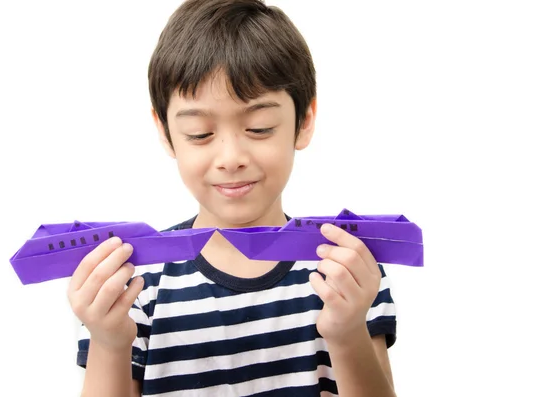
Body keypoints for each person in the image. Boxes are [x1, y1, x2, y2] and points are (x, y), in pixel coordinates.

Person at [68, 0, 398, 395]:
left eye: (259, 128)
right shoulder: (132, 284)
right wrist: (110, 342)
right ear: (165, 131)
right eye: (200, 134)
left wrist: (346, 335)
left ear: (304, 121)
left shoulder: (345, 269)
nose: (230, 159)